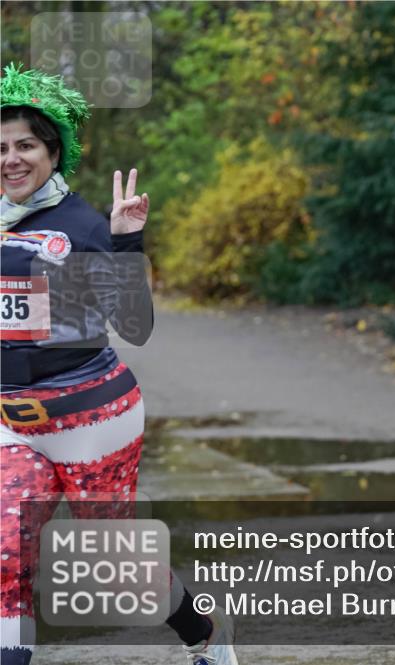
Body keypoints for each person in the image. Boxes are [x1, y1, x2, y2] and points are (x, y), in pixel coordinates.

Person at [0, 64, 237, 665]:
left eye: (26, 144)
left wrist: (126, 240)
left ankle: (205, 635)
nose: (12, 159)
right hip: (12, 421)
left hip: (91, 418)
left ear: (53, 151)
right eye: (1, 148)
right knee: (5, 552)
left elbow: (135, 327)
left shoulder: (83, 226)